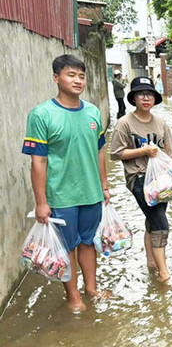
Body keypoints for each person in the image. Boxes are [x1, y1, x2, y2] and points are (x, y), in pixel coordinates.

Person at [22, 54, 110, 312]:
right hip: (61, 196)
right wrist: (41, 202)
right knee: (67, 247)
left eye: (81, 76)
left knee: (88, 242)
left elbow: (99, 151)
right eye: (71, 75)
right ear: (56, 78)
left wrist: (104, 186)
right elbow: (38, 162)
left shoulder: (93, 112)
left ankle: (91, 289)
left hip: (91, 193)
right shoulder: (41, 114)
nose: (78, 80)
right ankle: (74, 297)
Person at [111, 77, 172, 282]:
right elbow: (115, 153)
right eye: (141, 94)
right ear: (134, 98)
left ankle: (151, 263)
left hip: (162, 181)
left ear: (155, 99)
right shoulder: (124, 123)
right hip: (138, 179)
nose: (146, 98)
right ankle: (164, 274)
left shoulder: (161, 123)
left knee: (152, 220)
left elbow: (170, 154)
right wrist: (143, 151)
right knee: (161, 224)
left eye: (149, 94)